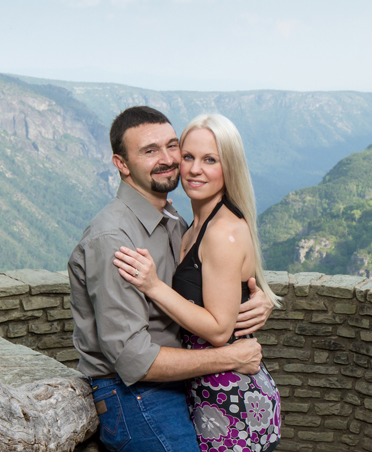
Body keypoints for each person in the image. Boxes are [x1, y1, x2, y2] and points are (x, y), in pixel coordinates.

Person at [67, 106, 274, 452]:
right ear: (121, 164)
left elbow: (214, 277)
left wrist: (255, 297)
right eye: (150, 151)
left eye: (172, 146)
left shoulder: (175, 220)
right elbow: (133, 359)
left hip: (184, 381)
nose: (169, 160)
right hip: (135, 392)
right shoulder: (114, 239)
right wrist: (230, 358)